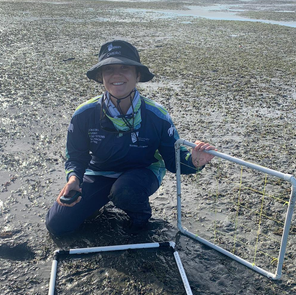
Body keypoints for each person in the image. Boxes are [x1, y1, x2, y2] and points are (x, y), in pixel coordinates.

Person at [46, 40, 215, 237]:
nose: (116, 75)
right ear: (101, 77)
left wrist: (195, 161)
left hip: (142, 172)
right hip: (99, 172)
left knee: (125, 191)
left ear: (138, 75)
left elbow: (172, 160)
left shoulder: (157, 115)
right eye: (109, 69)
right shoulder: (84, 114)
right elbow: (76, 155)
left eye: (125, 68)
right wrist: (73, 178)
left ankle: (141, 219)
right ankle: (94, 205)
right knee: (57, 224)